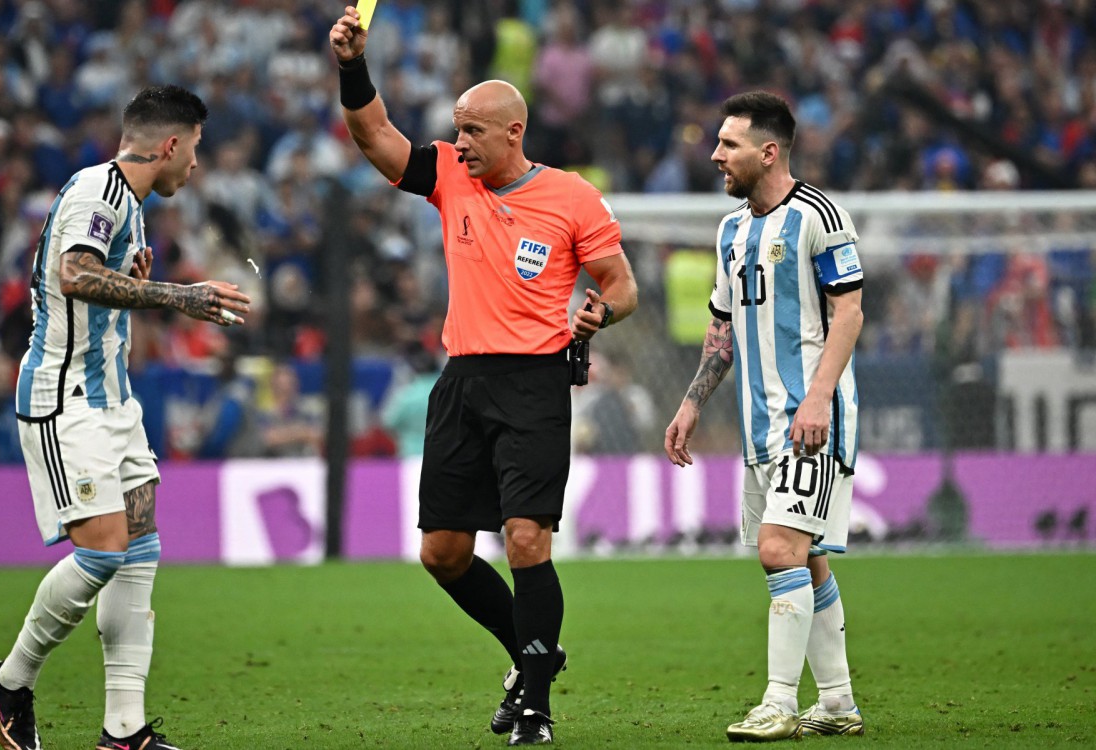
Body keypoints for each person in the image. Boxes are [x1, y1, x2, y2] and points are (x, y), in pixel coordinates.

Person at [330, 7, 638, 746]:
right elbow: (375, 136)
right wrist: (352, 65)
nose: (458, 140)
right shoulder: (448, 179)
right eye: (456, 128)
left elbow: (622, 286)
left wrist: (600, 313)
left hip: (533, 384)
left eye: (471, 130)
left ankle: (535, 706)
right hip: (461, 381)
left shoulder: (571, 197)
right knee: (442, 552)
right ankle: (534, 656)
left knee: (527, 541)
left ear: (512, 133)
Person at [0, 84, 251, 750]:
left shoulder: (123, 204)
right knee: (102, 552)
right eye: (195, 149)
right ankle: (10, 681)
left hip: (111, 399)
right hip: (65, 396)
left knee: (139, 553)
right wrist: (174, 294)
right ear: (172, 142)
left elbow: (93, 281)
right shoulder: (99, 193)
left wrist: (136, 282)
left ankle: (123, 731)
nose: (195, 165)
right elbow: (73, 274)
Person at [663, 91, 865, 742]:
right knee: (804, 560)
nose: (716, 155)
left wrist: (818, 398)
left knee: (779, 549)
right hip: (760, 424)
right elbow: (721, 327)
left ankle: (779, 702)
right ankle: (836, 702)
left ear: (768, 152)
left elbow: (850, 313)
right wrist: (693, 402)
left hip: (813, 417)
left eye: (728, 144)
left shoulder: (818, 216)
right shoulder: (730, 231)